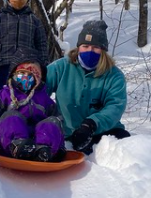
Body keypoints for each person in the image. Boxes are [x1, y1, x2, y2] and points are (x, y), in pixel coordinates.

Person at [45, 20, 130, 155]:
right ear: (78, 47)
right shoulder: (60, 67)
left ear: (103, 50)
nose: (90, 51)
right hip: (67, 132)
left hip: (103, 131)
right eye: (85, 46)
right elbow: (40, 89)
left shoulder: (114, 76)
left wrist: (91, 124)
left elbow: (115, 106)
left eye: (95, 47)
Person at [0, 47, 65, 162]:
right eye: (23, 73)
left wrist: (60, 146)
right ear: (14, 74)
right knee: (12, 117)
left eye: (35, 73)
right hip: (8, 143)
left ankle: (44, 151)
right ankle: (18, 146)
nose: (28, 77)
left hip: (38, 143)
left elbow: (58, 125)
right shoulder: (3, 95)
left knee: (52, 121)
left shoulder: (45, 100)